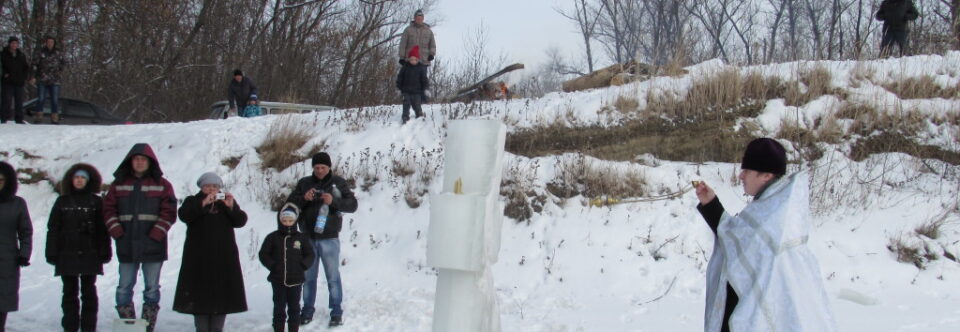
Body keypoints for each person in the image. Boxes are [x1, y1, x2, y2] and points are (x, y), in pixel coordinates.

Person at [693, 138, 837, 332]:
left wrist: (712, 206)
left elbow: (739, 241)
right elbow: (737, 237)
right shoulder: (773, 207)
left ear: (766, 175)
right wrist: (711, 204)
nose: (741, 176)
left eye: (747, 171)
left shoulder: (773, 217)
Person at [103, 143, 177, 332]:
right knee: (124, 288)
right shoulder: (119, 184)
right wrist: (117, 231)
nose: (139, 162)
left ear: (150, 162)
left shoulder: (163, 185)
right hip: (126, 243)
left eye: (143, 159)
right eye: (136, 159)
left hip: (153, 245)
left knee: (152, 288)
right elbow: (108, 210)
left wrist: (156, 234)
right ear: (130, 161)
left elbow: (169, 212)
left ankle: (147, 326)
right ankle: (129, 327)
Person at [285, 152, 358, 327]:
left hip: (330, 237)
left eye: (323, 167)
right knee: (308, 276)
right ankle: (307, 310)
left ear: (329, 167)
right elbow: (289, 206)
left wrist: (333, 201)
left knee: (332, 276)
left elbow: (353, 205)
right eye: (316, 167)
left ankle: (336, 311)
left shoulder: (338, 183)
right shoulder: (304, 183)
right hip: (307, 236)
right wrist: (304, 198)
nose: (319, 171)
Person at [174, 172, 249, 332]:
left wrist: (232, 207)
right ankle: (201, 327)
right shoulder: (193, 201)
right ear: (201, 187)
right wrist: (203, 204)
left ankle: (217, 328)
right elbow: (184, 215)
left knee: (222, 294)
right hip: (198, 258)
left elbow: (241, 221)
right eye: (208, 186)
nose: (211, 189)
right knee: (199, 294)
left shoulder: (225, 202)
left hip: (223, 257)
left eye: (214, 186)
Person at [45, 163, 111, 332]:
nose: (79, 180)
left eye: (83, 178)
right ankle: (70, 327)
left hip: (90, 252)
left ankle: (89, 327)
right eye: (76, 177)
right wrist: (51, 251)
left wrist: (105, 250)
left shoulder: (96, 202)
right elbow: (53, 228)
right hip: (67, 252)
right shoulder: (62, 201)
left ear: (88, 180)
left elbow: (103, 229)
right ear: (71, 180)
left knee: (89, 293)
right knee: (69, 293)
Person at [260, 203, 315, 332]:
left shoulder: (301, 238)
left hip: (296, 279)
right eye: (285, 220)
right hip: (278, 279)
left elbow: (310, 254)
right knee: (279, 308)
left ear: (295, 220)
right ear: (280, 220)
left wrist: (303, 265)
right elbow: (264, 254)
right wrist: (273, 266)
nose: (287, 223)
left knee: (294, 308)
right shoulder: (272, 237)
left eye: (290, 220)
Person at [0, 161, 33, 332]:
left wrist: (24, 253)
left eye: (1, 179)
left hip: (7, 261)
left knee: (2, 303)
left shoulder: (18, 204)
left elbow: (25, 231)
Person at [31, 35, 66, 124]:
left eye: (51, 42)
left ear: (54, 43)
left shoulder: (58, 52)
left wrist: (59, 72)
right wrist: (33, 76)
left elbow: (64, 63)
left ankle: (54, 118)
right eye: (48, 42)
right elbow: (34, 64)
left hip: (54, 80)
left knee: (54, 99)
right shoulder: (41, 52)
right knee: (41, 98)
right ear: (46, 43)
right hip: (42, 79)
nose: (50, 44)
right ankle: (38, 117)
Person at [0, 36, 32, 124]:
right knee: (6, 101)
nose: (14, 45)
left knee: (19, 102)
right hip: (7, 82)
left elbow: (26, 67)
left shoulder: (21, 55)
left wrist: (24, 77)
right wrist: (4, 74)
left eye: (16, 43)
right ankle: (4, 118)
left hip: (19, 82)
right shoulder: (3, 54)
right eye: (13, 43)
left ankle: (19, 119)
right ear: (9, 44)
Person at [396, 45, 429, 124]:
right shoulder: (405, 67)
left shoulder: (420, 68)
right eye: (411, 59)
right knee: (406, 104)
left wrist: (426, 88)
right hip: (406, 90)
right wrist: (398, 88)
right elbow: (400, 77)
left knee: (417, 104)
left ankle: (419, 114)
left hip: (417, 91)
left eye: (414, 59)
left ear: (417, 59)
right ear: (409, 59)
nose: (413, 61)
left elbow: (424, 79)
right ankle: (405, 116)